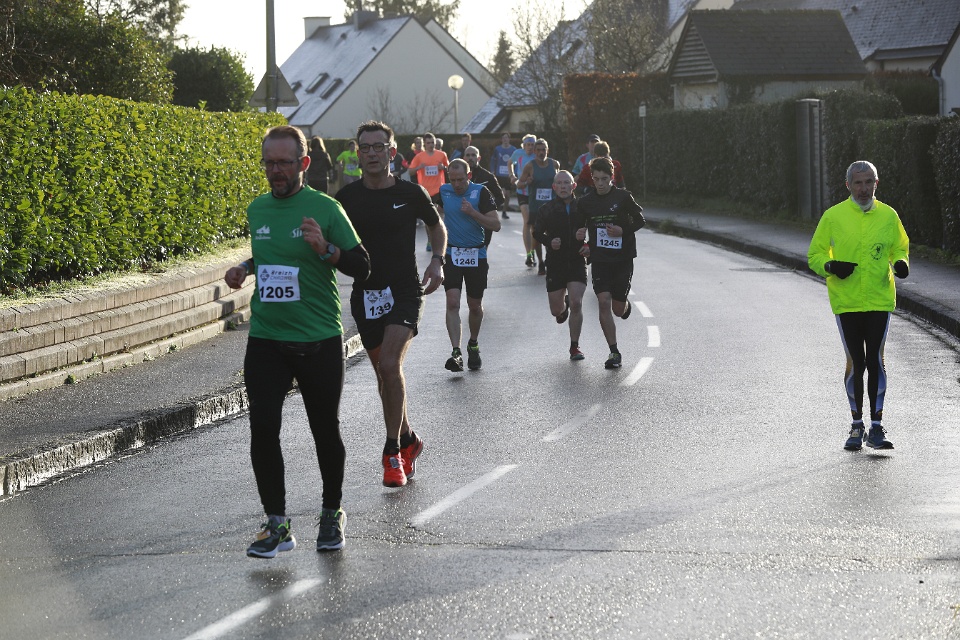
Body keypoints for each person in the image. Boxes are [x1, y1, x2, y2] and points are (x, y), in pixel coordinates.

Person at [225, 125, 371, 557]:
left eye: (284, 163)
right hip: (266, 338)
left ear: (304, 163)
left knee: (324, 429)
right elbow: (270, 254)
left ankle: (331, 513)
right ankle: (277, 524)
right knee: (263, 428)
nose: (276, 171)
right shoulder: (257, 209)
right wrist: (246, 267)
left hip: (318, 339)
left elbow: (362, 266)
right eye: (269, 163)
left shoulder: (326, 208)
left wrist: (325, 248)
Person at [336, 121, 447, 487]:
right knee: (385, 375)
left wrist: (437, 260)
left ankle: (392, 453)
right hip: (366, 294)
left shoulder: (411, 192)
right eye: (365, 147)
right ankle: (409, 438)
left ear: (392, 152)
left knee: (388, 364)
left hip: (405, 291)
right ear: (357, 153)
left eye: (378, 147)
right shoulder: (346, 198)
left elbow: (436, 226)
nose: (372, 153)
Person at [807, 160, 910, 452]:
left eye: (868, 183)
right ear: (848, 185)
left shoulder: (888, 215)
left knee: (875, 360)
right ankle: (856, 425)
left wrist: (901, 262)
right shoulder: (833, 216)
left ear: (876, 184)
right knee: (856, 362)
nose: (863, 189)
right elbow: (814, 255)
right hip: (847, 301)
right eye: (858, 183)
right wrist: (830, 266)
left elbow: (900, 247)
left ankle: (876, 427)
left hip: (879, 299)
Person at [575, 156, 646, 369]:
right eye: (596, 179)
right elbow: (579, 228)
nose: (600, 183)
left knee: (617, 309)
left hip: (622, 259)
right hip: (600, 260)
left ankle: (624, 305)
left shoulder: (623, 197)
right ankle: (614, 352)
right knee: (603, 302)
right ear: (592, 179)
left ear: (611, 177)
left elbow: (640, 220)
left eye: (604, 179)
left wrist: (623, 230)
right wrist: (582, 240)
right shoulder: (585, 202)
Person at [437, 159, 501, 372]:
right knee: (452, 302)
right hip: (452, 254)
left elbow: (496, 224)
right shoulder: (444, 191)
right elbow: (432, 212)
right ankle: (456, 352)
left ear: (469, 176)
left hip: (476, 254)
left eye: (461, 180)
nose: (456, 184)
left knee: (474, 306)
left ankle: (473, 343)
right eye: (453, 180)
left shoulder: (481, 192)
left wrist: (473, 213)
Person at [534, 171, 589, 360]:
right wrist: (549, 241)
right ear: (554, 187)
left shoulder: (583, 207)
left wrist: (588, 244)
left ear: (573, 186)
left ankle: (575, 347)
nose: (563, 186)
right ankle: (563, 307)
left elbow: (596, 228)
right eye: (560, 183)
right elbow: (537, 233)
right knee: (555, 311)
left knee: (577, 303)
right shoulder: (546, 209)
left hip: (576, 260)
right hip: (556, 263)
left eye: (567, 183)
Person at [516, 138, 559, 275]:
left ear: (547, 150)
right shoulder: (530, 166)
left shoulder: (554, 164)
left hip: (552, 206)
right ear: (534, 151)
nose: (541, 152)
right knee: (538, 236)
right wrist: (527, 182)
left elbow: (560, 181)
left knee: (553, 234)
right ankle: (540, 261)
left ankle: (550, 260)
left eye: (543, 150)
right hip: (536, 208)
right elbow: (519, 184)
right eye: (539, 150)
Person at [407, 132, 450, 251]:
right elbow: (410, 171)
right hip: (425, 190)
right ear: (425, 144)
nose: (431, 145)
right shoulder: (419, 157)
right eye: (428, 143)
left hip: (439, 189)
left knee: (440, 214)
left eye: (433, 142)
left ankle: (441, 238)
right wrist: (418, 167)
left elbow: (449, 168)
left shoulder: (441, 155)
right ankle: (430, 240)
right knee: (428, 217)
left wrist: (443, 168)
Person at [462, 145, 506, 247]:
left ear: (479, 158)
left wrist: (488, 210)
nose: (470, 158)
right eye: (468, 155)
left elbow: (500, 197)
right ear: (464, 158)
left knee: (482, 250)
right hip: (464, 219)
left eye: (473, 155)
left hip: (483, 221)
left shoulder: (488, 177)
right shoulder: (459, 177)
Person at [509, 134, 538, 267]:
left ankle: (533, 251)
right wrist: (512, 175)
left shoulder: (537, 155)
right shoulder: (518, 154)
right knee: (527, 221)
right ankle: (529, 254)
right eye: (528, 145)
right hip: (522, 192)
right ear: (524, 145)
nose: (530, 147)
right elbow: (510, 163)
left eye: (532, 145)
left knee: (534, 225)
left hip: (534, 193)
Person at [489, 131, 516, 219]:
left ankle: (504, 211)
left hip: (509, 175)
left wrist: (515, 173)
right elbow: (493, 160)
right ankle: (493, 210)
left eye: (506, 138)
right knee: (502, 193)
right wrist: (492, 170)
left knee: (507, 195)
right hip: (499, 175)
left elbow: (516, 163)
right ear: (501, 139)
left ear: (509, 139)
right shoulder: (497, 149)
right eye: (503, 138)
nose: (505, 139)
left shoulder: (513, 150)